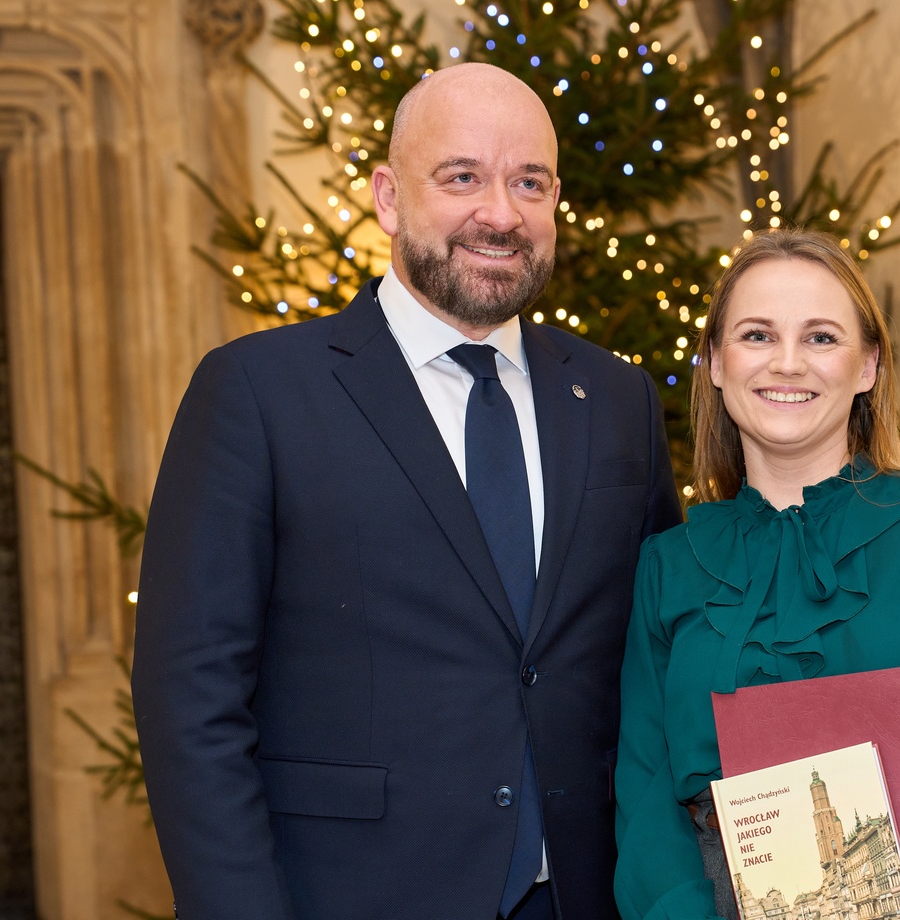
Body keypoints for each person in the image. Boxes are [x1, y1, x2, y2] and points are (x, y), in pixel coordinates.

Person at [132, 63, 681, 920]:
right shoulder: (257, 392)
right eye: (461, 177)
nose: (500, 213)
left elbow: (659, 660)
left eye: (529, 182)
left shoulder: (617, 398)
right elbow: (190, 702)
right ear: (389, 198)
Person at [613, 229, 900, 920]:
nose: (788, 362)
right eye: (757, 335)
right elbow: (645, 796)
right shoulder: (667, 565)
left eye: (822, 337)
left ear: (868, 366)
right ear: (715, 362)